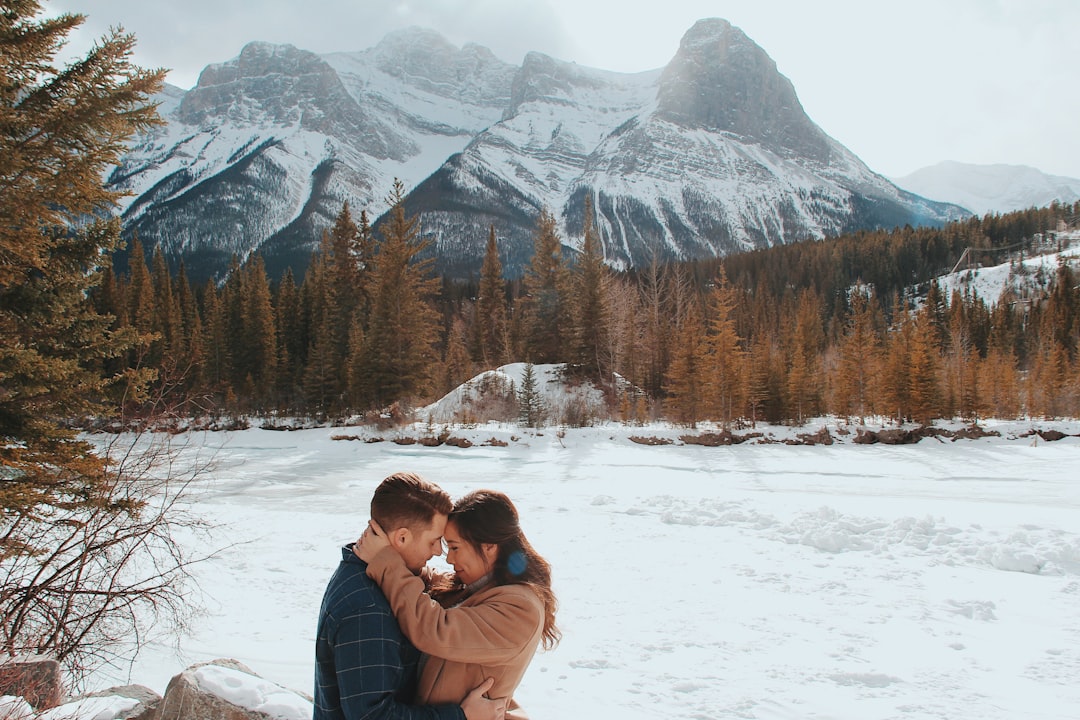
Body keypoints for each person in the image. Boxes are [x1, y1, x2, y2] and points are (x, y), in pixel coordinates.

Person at [314, 472, 506, 720]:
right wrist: (460, 716)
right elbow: (372, 716)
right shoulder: (367, 607)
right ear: (402, 537)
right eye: (434, 541)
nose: (439, 552)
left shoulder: (365, 573)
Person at [356, 490, 559, 719]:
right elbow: (434, 581)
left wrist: (385, 560)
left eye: (455, 547)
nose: (449, 559)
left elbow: (433, 628)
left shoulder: (521, 610)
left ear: (489, 546)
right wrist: (407, 557)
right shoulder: (478, 587)